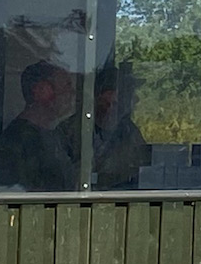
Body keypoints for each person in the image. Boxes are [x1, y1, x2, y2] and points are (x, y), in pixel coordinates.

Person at [0, 60, 78, 191]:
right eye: (66, 87)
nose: (72, 94)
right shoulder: (15, 142)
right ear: (41, 91)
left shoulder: (56, 135)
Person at [61, 62, 149, 190]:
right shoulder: (72, 129)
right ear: (104, 94)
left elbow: (144, 165)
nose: (135, 98)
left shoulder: (127, 129)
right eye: (126, 91)